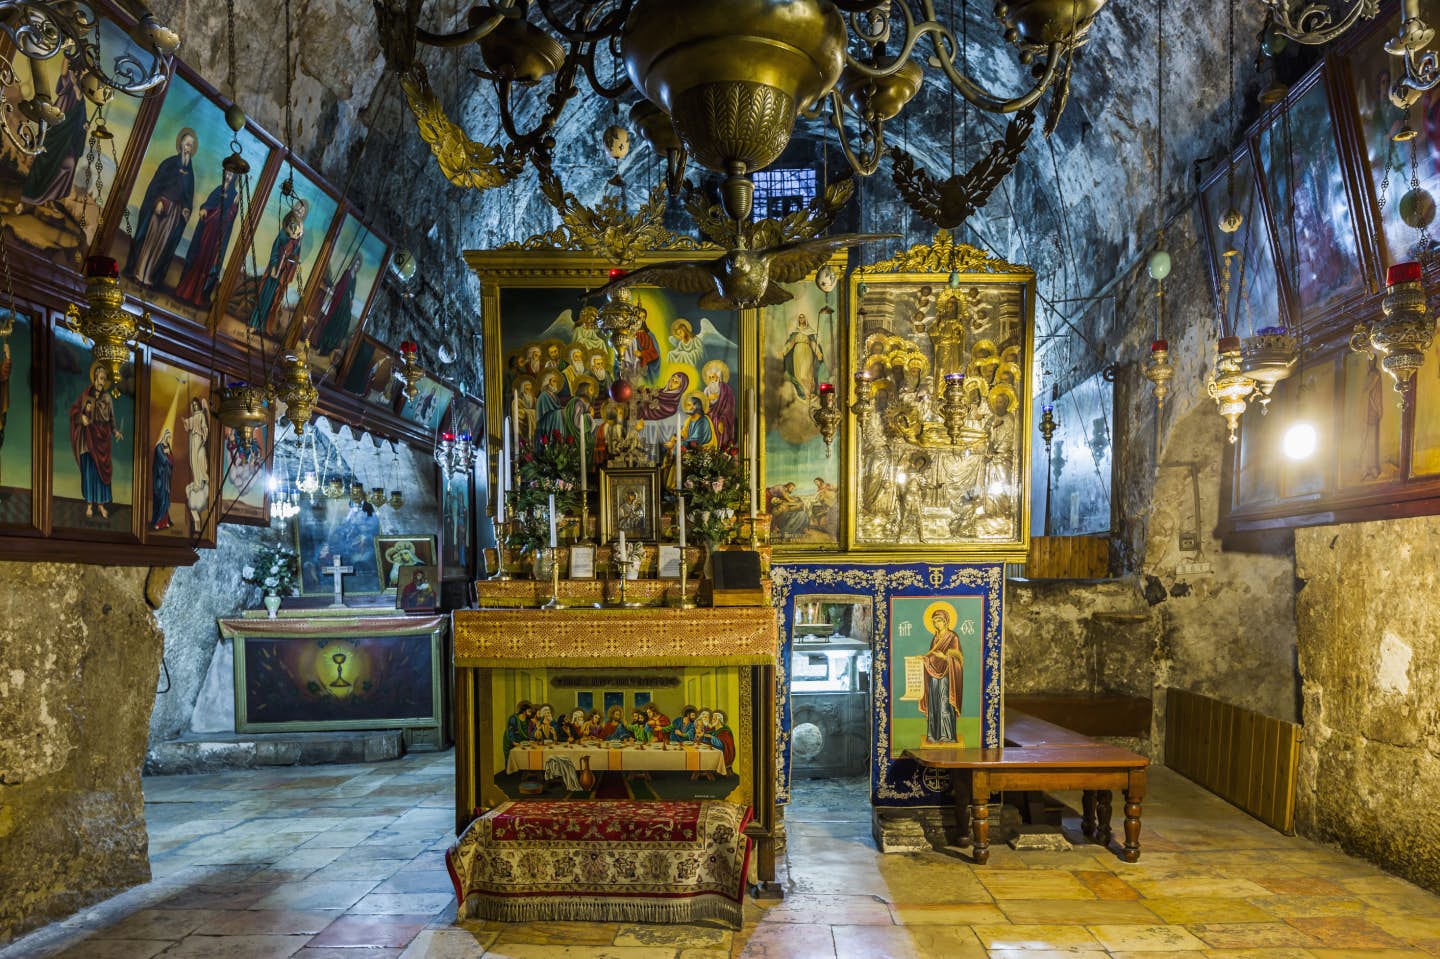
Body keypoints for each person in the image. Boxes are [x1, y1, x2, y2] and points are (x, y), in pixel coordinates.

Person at [126, 128, 198, 289]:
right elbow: (157, 185)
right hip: (160, 206)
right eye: (187, 145)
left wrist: (186, 209)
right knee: (150, 240)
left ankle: (148, 275)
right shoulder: (170, 163)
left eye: (191, 146)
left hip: (174, 214)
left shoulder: (190, 173)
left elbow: (188, 196)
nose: (189, 148)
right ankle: (139, 273)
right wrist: (158, 201)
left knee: (161, 244)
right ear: (181, 144)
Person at [17, 71, 86, 218]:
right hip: (55, 128)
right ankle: (29, 199)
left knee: (69, 164)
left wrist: (84, 127)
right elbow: (64, 73)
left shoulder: (80, 90)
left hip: (66, 138)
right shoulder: (69, 79)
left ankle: (48, 198)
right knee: (44, 162)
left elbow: (81, 111)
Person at [174, 168, 241, 307]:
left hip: (216, 236)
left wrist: (234, 204)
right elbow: (209, 203)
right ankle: (185, 291)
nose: (228, 176)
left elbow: (229, 218)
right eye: (227, 173)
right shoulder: (219, 189)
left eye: (231, 174)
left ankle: (198, 296)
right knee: (198, 258)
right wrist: (204, 208)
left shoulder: (234, 195)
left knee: (207, 263)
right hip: (206, 230)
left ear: (235, 177)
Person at [69, 363, 122, 519]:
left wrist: (116, 431)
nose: (101, 382)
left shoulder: (107, 398)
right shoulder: (86, 395)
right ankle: (89, 505)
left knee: (100, 474)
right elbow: (74, 410)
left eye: (104, 379)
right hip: (88, 438)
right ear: (94, 378)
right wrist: (82, 417)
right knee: (89, 471)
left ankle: (101, 505)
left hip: (102, 439)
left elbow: (112, 419)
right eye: (100, 378)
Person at [248, 205, 306, 335]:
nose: (300, 213)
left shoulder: (298, 239)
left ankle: (262, 327)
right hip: (274, 271)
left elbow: (295, 258)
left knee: (273, 301)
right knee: (264, 297)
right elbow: (275, 249)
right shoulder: (284, 231)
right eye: (298, 210)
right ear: (294, 210)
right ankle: (253, 323)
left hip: (283, 274)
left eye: (302, 212)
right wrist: (274, 267)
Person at [918, 606, 964, 744]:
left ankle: (946, 736)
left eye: (939, 620)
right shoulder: (935, 638)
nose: (936, 623)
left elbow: (959, 659)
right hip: (933, 676)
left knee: (944, 703)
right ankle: (934, 736)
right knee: (934, 704)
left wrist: (944, 657)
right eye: (934, 621)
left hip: (947, 676)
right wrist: (924, 659)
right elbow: (931, 656)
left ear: (946, 621)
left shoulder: (953, 637)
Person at [314, 254, 362, 355]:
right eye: (356, 264)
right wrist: (335, 290)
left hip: (346, 305)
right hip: (339, 302)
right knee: (332, 324)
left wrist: (351, 300)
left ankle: (330, 349)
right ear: (353, 263)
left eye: (358, 265)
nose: (356, 266)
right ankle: (322, 347)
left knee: (344, 322)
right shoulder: (347, 273)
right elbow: (340, 285)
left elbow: (352, 292)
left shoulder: (355, 278)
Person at [182, 396, 210, 530]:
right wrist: (186, 422)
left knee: (198, 461)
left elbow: (204, 427)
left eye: (195, 405)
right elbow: (189, 423)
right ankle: (197, 480)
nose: (194, 407)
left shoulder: (201, 416)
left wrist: (203, 433)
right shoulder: (195, 416)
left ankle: (199, 482)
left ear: (198, 405)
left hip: (198, 440)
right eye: (192, 405)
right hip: (193, 440)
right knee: (193, 462)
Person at [782, 312, 825, 399]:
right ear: (798, 320)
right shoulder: (796, 332)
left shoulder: (809, 331)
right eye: (800, 318)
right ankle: (806, 393)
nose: (801, 319)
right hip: (797, 354)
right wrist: (783, 352)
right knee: (799, 375)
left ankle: (810, 392)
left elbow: (813, 344)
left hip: (807, 352)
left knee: (806, 374)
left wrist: (818, 353)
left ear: (805, 319)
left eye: (803, 318)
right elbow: (790, 344)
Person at [701, 360, 736, 450]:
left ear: (718, 377)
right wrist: (708, 400)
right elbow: (704, 405)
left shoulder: (726, 389)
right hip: (709, 417)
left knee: (718, 426)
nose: (712, 379)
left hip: (721, 419)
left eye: (714, 377)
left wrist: (723, 420)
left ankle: (719, 451)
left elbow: (729, 407)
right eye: (710, 377)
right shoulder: (706, 390)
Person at [150, 428, 173, 530]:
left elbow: (171, 460)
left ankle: (165, 521)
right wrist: (166, 454)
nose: (168, 439)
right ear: (164, 436)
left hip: (166, 478)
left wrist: (169, 454)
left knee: (166, 499)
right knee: (160, 499)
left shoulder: (168, 447)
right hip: (160, 478)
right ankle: (158, 522)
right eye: (167, 437)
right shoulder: (159, 447)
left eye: (169, 437)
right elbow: (163, 460)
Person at [534, 372, 566, 438]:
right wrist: (559, 411)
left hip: (554, 420)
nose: (556, 384)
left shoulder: (555, 396)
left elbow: (557, 407)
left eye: (556, 381)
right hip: (546, 423)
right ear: (547, 383)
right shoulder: (543, 396)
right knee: (558, 413)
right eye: (554, 381)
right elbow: (542, 415)